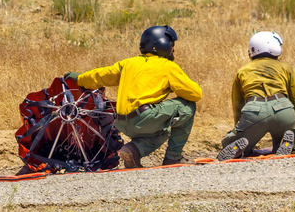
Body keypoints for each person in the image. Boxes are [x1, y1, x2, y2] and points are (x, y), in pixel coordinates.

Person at [66, 25, 202, 168]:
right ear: (163, 44)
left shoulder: (128, 63)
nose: (173, 49)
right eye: (172, 45)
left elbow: (102, 75)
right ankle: (173, 159)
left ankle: (132, 150)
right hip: (144, 118)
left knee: (163, 131)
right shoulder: (167, 66)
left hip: (122, 122)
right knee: (187, 107)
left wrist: (80, 78)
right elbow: (195, 94)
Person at [217, 31, 295, 160]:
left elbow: (237, 106)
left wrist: (240, 129)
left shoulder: (242, 71)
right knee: (288, 139)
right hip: (283, 108)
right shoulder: (287, 68)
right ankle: (287, 143)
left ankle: (239, 148)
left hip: (254, 111)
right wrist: (293, 124)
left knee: (231, 142)